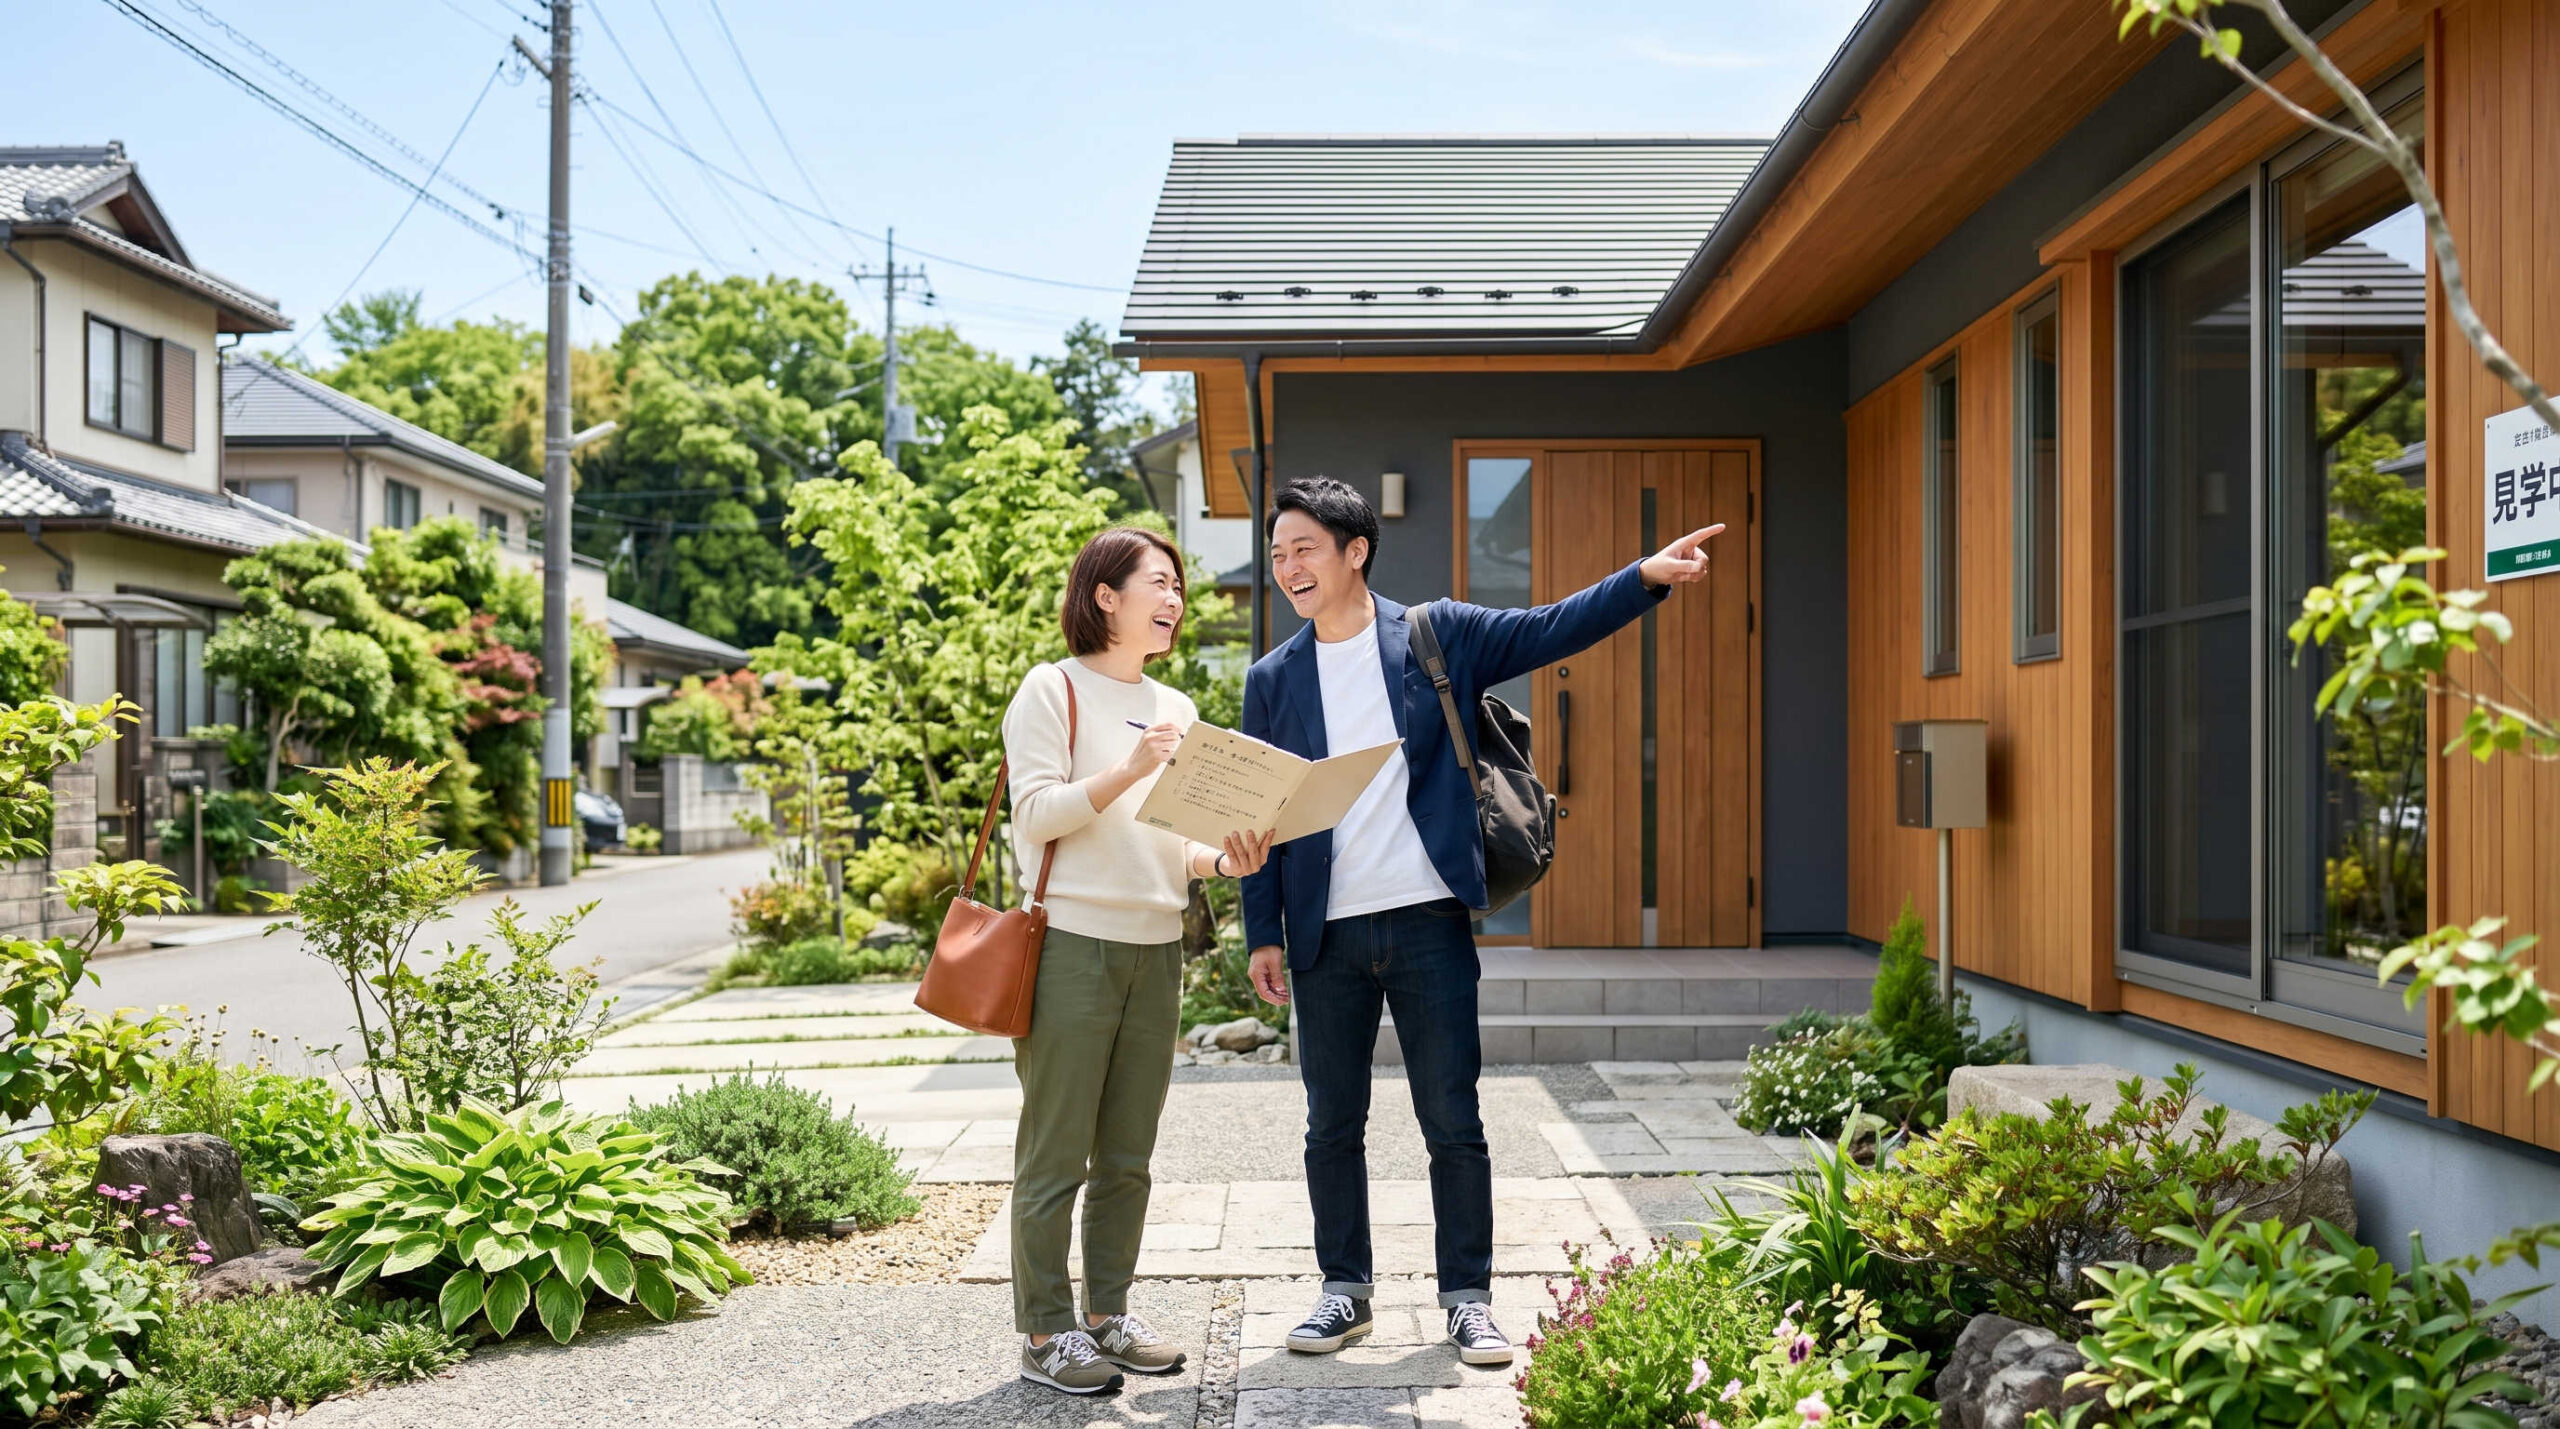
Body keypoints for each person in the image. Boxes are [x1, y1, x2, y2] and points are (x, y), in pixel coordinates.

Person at [1240, 476, 1720, 1367]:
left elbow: (1546, 627)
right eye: (1277, 553)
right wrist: (1261, 931)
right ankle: (1344, 1290)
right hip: (1324, 936)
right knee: (1329, 1124)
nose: (1287, 566)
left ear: (1356, 551)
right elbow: (1261, 815)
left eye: (1303, 547)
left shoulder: (1434, 635)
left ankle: (1467, 1298)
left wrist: (1643, 577)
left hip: (1426, 923)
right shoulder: (1271, 679)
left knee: (1452, 1119)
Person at [999, 525, 1273, 1396]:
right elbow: (1036, 814)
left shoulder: (1178, 707)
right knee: (1056, 1151)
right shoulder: (1052, 690)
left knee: (1128, 1153)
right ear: (1105, 595)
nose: (1175, 599)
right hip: (1072, 944)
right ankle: (1045, 1328)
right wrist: (1127, 766)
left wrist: (1225, 860)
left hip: (1158, 950)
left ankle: (1106, 1313)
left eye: (1179, 585)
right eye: (1158, 581)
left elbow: (1175, 841)